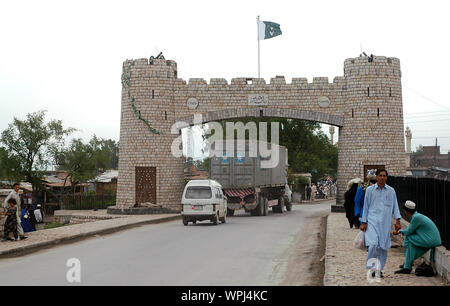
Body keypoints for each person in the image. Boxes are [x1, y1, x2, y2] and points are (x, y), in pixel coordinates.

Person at [360, 169, 402, 278]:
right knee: (373, 244)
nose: (382, 178)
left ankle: (379, 270)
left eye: (384, 176)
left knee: (383, 247)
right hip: (372, 222)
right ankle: (371, 269)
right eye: (380, 175)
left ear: (386, 177)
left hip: (385, 223)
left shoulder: (391, 191)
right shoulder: (370, 190)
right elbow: (366, 206)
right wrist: (364, 222)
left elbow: (395, 206)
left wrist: (397, 221)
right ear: (377, 177)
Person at [393, 201, 442, 274]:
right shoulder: (417, 216)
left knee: (409, 239)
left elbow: (409, 231)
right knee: (411, 245)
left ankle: (407, 267)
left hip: (430, 240)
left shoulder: (416, 218)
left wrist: (399, 232)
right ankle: (407, 264)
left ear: (406, 211)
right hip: (432, 240)